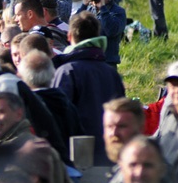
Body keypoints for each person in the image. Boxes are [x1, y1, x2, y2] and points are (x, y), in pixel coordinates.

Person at [53, 12, 125, 166]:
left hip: (76, 158)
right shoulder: (111, 73)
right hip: (110, 156)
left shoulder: (66, 71)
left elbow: (57, 117)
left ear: (69, 36)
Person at [76, 0, 126, 68]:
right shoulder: (88, 10)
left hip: (107, 62)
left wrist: (103, 8)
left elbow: (111, 31)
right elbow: (74, 27)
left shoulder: (118, 12)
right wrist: (83, 5)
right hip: (88, 61)